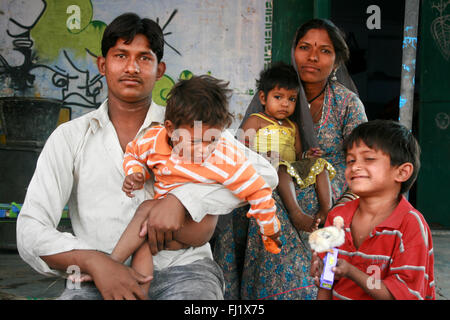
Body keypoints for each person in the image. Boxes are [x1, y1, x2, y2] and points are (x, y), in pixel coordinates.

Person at [16, 13, 278, 300]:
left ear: (160, 68)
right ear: (102, 65)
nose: (131, 67)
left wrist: (183, 201)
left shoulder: (194, 124)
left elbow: (266, 173)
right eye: (120, 55)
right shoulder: (70, 138)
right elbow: (31, 228)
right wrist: (94, 261)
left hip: (184, 270)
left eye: (144, 58)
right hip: (100, 274)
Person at [213, 18, 368, 300]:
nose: (312, 57)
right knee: (240, 198)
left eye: (324, 50)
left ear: (336, 61)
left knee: (275, 197)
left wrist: (340, 205)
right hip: (278, 173)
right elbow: (241, 148)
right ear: (294, 51)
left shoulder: (347, 104)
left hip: (330, 182)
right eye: (305, 47)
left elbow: (365, 161)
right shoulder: (275, 94)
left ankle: (293, 291)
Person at [310, 120, 435, 300]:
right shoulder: (337, 216)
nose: (355, 166)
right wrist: (320, 266)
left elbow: (402, 294)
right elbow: (326, 282)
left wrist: (351, 271)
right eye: (350, 160)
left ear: (402, 172)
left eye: (368, 159)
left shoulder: (410, 224)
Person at [239, 62, 335, 233]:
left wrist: (308, 155)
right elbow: (240, 149)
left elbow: (298, 155)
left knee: (320, 164)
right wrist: (260, 156)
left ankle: (327, 210)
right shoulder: (256, 120)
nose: (285, 104)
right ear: (263, 98)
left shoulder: (292, 126)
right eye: (278, 97)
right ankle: (296, 213)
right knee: (281, 165)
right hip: (266, 167)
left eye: (291, 99)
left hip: (289, 169)